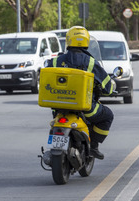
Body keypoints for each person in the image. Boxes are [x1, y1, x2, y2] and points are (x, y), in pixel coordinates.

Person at [45, 26, 114, 160]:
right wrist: (110, 89)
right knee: (107, 116)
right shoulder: (90, 62)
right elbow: (107, 86)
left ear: (68, 41)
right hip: (85, 108)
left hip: (59, 107)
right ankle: (93, 147)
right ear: (86, 42)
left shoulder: (55, 61)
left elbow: (45, 79)